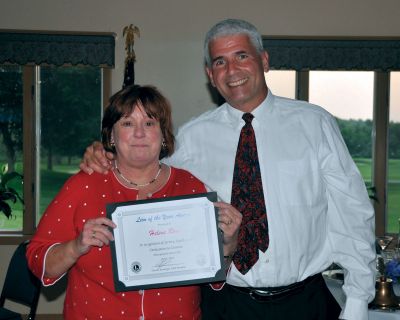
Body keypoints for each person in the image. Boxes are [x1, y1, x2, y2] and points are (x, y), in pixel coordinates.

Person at [80, 19, 376, 320]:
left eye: (242, 56)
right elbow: (142, 172)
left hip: (305, 302)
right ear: (211, 75)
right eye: (220, 62)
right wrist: (106, 155)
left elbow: (351, 212)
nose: (232, 70)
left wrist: (357, 301)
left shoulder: (315, 124)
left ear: (264, 61)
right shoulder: (192, 137)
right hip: (224, 304)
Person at [26, 84, 241, 320]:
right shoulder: (83, 186)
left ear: (163, 134)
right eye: (128, 123)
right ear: (111, 135)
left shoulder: (191, 187)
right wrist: (76, 246)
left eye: (149, 123)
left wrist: (228, 244)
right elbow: (39, 263)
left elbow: (215, 278)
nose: (139, 133)